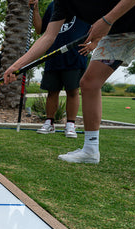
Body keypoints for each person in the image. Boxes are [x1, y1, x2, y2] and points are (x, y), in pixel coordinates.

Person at [3, 0, 135, 191]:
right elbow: (48, 36)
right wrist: (18, 65)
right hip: (117, 27)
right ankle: (90, 150)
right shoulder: (61, 3)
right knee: (89, 83)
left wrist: (107, 21)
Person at [31, 0, 89, 138]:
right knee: (52, 92)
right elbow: (40, 29)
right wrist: (35, 9)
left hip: (75, 55)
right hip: (53, 56)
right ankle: (49, 122)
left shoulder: (86, 4)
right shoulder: (53, 5)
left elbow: (98, 26)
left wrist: (93, 44)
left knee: (73, 91)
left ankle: (70, 125)